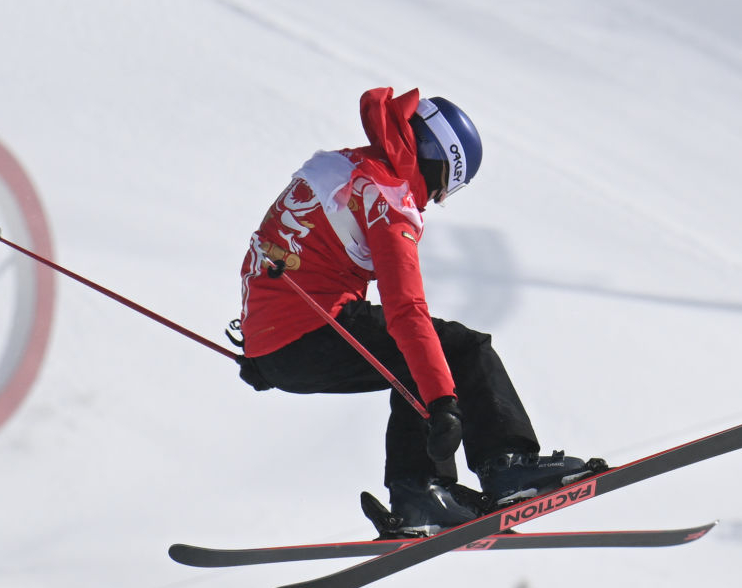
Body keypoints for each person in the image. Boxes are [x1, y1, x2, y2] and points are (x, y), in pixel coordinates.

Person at [234, 87, 598, 537]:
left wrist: (260, 346)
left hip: (279, 347)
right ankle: (507, 466)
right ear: (439, 161)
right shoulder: (387, 197)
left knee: (411, 362)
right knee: (462, 349)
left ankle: (420, 493)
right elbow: (406, 309)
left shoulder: (341, 167)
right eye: (448, 187)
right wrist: (444, 401)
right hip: (315, 329)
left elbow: (267, 249)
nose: (437, 199)